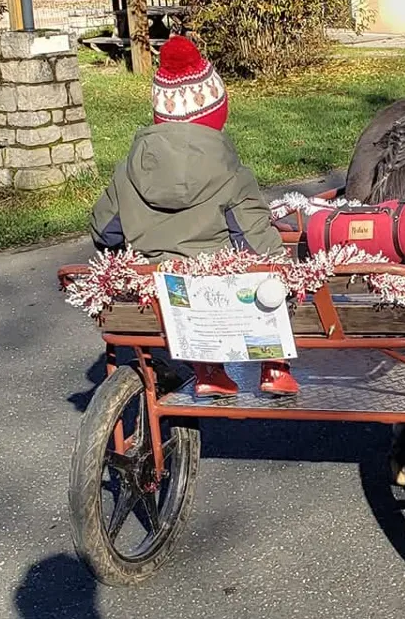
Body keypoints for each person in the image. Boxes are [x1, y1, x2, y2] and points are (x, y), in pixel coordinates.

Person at [91, 34, 299, 395]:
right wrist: (288, 274)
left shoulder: (128, 170)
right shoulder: (231, 174)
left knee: (185, 294)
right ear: (216, 111)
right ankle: (274, 369)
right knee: (267, 281)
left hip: (157, 293)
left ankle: (208, 372)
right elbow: (257, 244)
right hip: (220, 300)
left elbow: (104, 232)